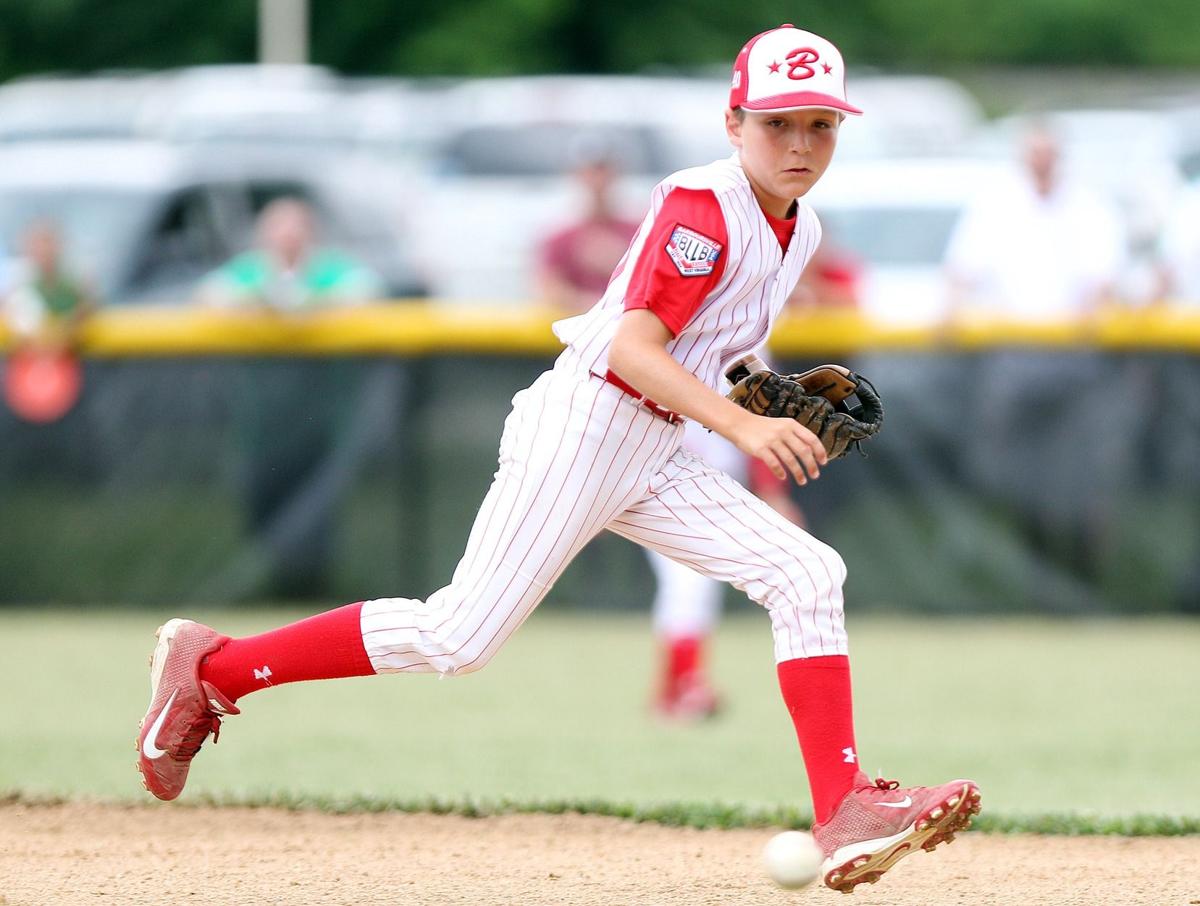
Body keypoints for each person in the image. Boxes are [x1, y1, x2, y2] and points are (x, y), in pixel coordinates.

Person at [136, 25, 979, 894]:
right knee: (457, 636)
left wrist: (763, 391)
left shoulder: (797, 229)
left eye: (820, 125)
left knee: (807, 574)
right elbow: (632, 349)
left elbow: (716, 348)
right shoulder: (702, 208)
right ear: (734, 123)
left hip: (652, 445)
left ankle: (842, 808)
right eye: (778, 124)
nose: (801, 144)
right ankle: (211, 670)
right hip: (586, 428)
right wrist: (740, 426)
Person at [944, 123, 1124, 321]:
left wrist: (1094, 304)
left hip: (1074, 338)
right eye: (1036, 153)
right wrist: (952, 306)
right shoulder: (993, 204)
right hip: (1007, 337)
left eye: (1048, 153)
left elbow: (1105, 275)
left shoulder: (1090, 206)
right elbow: (963, 267)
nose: (1042, 161)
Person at [197, 197, 383, 310]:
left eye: (296, 226)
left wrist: (316, 302)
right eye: (279, 227)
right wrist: (257, 302)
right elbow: (209, 292)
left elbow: (369, 287)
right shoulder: (253, 267)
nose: (288, 234)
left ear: (310, 231)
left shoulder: (326, 266)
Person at [536, 153, 641, 313]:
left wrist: (621, 262)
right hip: (583, 326)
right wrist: (591, 303)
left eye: (603, 171)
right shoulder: (559, 238)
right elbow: (548, 288)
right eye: (591, 172)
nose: (598, 181)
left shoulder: (640, 231)